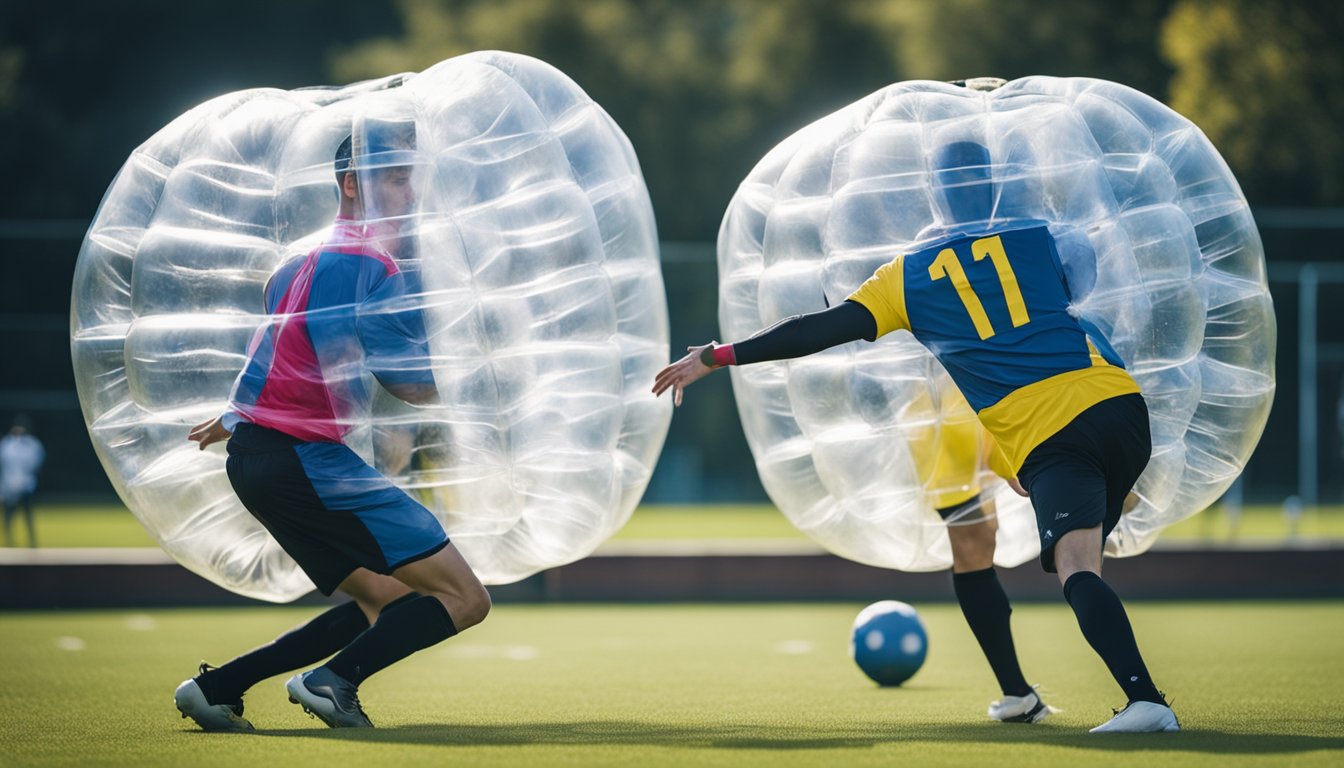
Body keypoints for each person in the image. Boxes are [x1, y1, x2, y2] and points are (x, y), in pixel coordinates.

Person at [654, 140, 1178, 733]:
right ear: (998, 184)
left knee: (1076, 567)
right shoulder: (1044, 235)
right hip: (1119, 404)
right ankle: (1071, 673)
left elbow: (813, 332)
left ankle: (1146, 702)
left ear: (932, 195)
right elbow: (1085, 292)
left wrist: (718, 356)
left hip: (1049, 430)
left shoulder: (904, 277)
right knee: (1077, 549)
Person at [174, 127, 490, 731]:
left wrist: (236, 416)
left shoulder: (296, 260)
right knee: (464, 598)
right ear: (352, 185)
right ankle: (332, 681)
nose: (412, 191)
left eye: (410, 176)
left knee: (386, 600)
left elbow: (273, 350)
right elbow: (409, 382)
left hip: (256, 458)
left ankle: (218, 688)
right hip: (308, 462)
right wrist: (481, 378)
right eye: (395, 178)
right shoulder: (369, 261)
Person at [907, 378, 1056, 724]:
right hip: (948, 400)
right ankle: (1017, 691)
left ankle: (1017, 693)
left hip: (979, 390)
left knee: (978, 542)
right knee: (974, 543)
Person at [1, 415, 44, 548]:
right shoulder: (6, 444)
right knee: (8, 514)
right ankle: (9, 539)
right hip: (9, 485)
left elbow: (35, 463)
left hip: (26, 484)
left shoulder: (32, 444)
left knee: (27, 513)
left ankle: (31, 540)